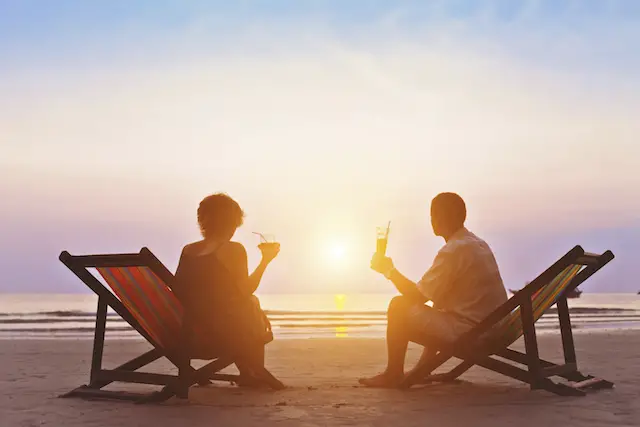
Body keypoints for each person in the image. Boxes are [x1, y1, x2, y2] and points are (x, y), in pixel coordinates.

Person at [359, 192, 507, 388]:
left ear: (446, 217)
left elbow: (417, 297)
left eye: (434, 214)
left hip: (473, 333)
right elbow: (433, 302)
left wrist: (389, 271)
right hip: (494, 328)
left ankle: (393, 373)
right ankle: (422, 369)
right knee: (438, 308)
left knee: (398, 305)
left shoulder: (454, 250)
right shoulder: (476, 243)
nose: (431, 220)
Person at [172, 193, 284, 389]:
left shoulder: (188, 250)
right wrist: (266, 260)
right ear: (232, 222)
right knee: (251, 302)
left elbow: (179, 289)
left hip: (186, 333)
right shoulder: (233, 249)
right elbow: (246, 290)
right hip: (220, 335)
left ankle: (249, 371)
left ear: (202, 220)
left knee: (246, 305)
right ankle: (253, 371)